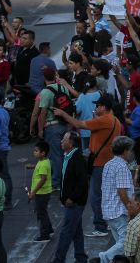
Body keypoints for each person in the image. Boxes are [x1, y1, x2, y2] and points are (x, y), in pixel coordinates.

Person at [54, 93, 121, 237]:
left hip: (100, 162)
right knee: (107, 194)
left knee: (96, 195)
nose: (95, 108)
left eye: (97, 106)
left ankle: (100, 226)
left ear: (103, 107)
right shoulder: (115, 120)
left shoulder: (104, 120)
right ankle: (107, 223)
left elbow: (78, 124)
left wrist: (63, 114)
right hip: (108, 161)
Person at [93, 136, 135, 263]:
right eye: (130, 150)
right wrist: (130, 210)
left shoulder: (108, 164)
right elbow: (121, 192)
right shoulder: (121, 166)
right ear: (125, 151)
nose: (131, 153)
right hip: (119, 211)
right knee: (127, 243)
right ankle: (103, 258)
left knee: (122, 249)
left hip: (109, 211)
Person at [52, 131, 89, 263]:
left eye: (64, 139)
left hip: (75, 203)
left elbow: (83, 182)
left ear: (71, 142)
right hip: (72, 202)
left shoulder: (77, 159)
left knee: (66, 232)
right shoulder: (68, 156)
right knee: (77, 232)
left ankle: (58, 259)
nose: (61, 141)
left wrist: (72, 198)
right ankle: (81, 258)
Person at [27, 140, 54, 242]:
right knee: (43, 212)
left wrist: (33, 192)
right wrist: (33, 167)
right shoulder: (43, 161)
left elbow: (43, 179)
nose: (34, 152)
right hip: (43, 192)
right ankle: (49, 229)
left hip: (41, 193)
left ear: (43, 153)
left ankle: (45, 234)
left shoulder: (43, 164)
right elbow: (40, 168)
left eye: (36, 151)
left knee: (41, 213)